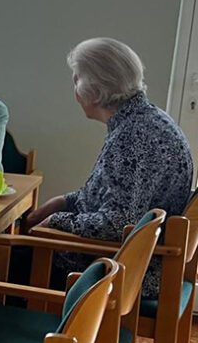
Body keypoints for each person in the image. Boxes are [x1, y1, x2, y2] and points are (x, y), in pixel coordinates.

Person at [23, 38, 193, 297]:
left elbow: (119, 223)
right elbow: (113, 197)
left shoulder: (133, 136)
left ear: (94, 90)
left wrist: (56, 221)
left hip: (119, 269)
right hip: (134, 258)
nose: (75, 89)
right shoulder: (146, 120)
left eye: (76, 80)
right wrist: (63, 202)